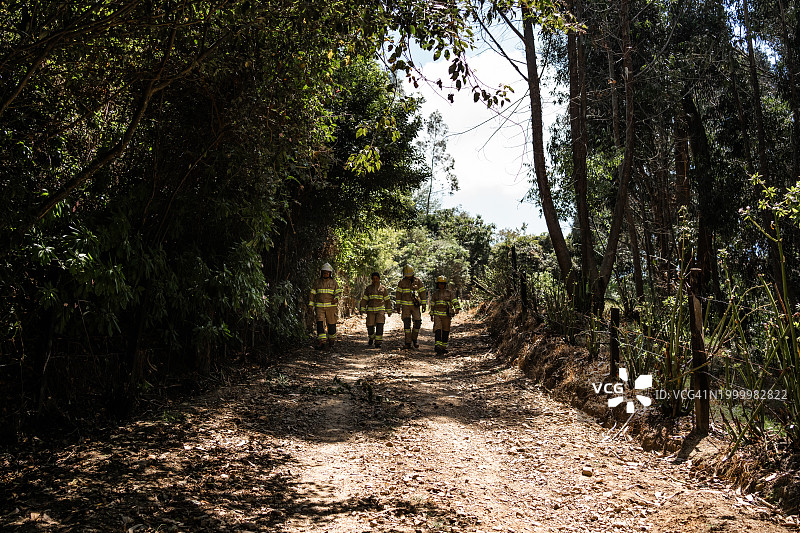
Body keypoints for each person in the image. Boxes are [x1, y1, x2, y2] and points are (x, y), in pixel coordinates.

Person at [308, 262, 342, 350]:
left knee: (331, 324)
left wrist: (336, 299)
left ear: (330, 273)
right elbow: (312, 294)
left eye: (327, 273)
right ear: (321, 273)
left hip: (331, 307)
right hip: (319, 307)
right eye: (324, 272)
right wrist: (310, 305)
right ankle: (321, 342)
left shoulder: (334, 283)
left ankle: (331, 341)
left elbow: (338, 293)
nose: (325, 274)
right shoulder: (317, 282)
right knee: (320, 324)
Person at [395, 264, 427, 349]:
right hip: (405, 307)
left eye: (410, 276)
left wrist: (424, 304)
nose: (408, 277)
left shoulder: (418, 281)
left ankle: (414, 339)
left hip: (415, 306)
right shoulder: (401, 282)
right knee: (407, 324)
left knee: (417, 322)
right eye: (407, 276)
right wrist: (398, 306)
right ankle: (408, 342)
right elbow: (398, 294)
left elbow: (422, 293)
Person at [359, 272, 392, 348]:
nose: (375, 280)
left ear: (379, 279)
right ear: (372, 279)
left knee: (380, 325)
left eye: (376, 278)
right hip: (371, 310)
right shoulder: (368, 288)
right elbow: (364, 299)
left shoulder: (383, 289)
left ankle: (378, 342)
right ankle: (371, 337)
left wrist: (389, 310)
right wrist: (362, 308)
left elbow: (387, 300)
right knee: (370, 325)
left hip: (380, 310)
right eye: (373, 279)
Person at [429, 275, 460, 354]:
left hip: (447, 315)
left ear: (445, 284)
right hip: (437, 315)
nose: (441, 285)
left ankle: (443, 347)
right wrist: (431, 314)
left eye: (443, 283)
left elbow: (454, 300)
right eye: (440, 283)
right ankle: (437, 346)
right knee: (438, 330)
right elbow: (432, 305)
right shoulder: (435, 294)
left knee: (446, 331)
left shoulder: (449, 293)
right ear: (437, 284)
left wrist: (457, 308)